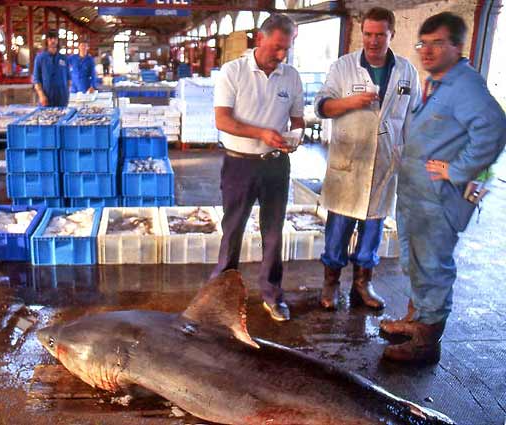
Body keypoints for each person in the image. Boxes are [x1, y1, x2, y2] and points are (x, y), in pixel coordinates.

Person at [382, 12, 506, 364]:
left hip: (437, 201)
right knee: (417, 263)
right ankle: (415, 319)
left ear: (457, 46)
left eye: (438, 43)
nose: (428, 51)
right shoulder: (439, 84)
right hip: (418, 198)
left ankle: (425, 343)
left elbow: (495, 129)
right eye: (424, 43)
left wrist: (459, 169)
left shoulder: (464, 86)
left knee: (432, 267)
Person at [314, 7, 421, 312]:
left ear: (392, 35)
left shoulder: (406, 72)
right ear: (362, 33)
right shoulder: (343, 67)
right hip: (348, 162)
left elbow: (413, 117)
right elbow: (322, 107)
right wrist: (350, 102)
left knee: (373, 229)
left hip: (385, 165)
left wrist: (413, 158)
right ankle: (331, 282)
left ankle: (363, 283)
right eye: (368, 34)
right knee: (338, 227)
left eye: (380, 35)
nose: (373, 41)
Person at [210, 14, 305, 322]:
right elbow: (222, 120)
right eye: (276, 47)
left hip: (276, 164)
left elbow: (298, 119)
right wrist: (261, 133)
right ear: (259, 38)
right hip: (239, 164)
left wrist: (295, 138)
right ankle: (221, 294)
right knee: (233, 230)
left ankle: (273, 295)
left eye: (286, 49)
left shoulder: (291, 76)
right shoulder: (233, 72)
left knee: (274, 233)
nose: (281, 55)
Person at [33, 29, 70, 107]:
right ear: (47, 41)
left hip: (62, 97)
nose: (53, 41)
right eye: (50, 38)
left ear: (58, 41)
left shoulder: (63, 58)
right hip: (46, 96)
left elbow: (68, 78)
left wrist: (67, 93)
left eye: (55, 38)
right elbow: (36, 80)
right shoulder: (40, 58)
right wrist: (41, 95)